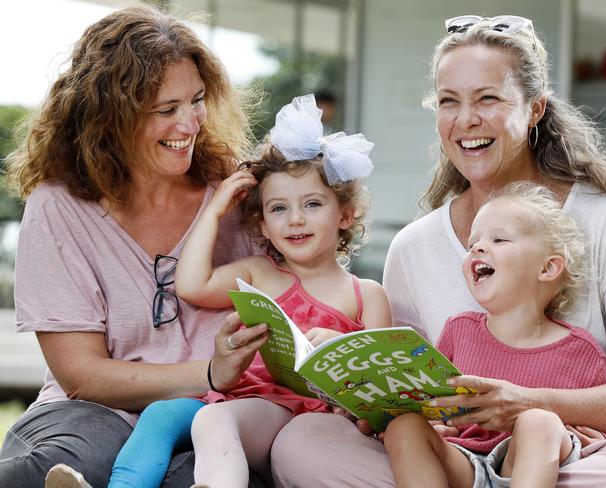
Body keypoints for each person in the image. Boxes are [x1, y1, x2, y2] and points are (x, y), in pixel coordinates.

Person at [271, 15, 606, 488]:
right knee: (303, 440)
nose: (466, 120)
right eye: (449, 101)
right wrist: (360, 391)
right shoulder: (415, 246)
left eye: (488, 98)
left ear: (535, 109)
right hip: (454, 462)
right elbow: (404, 389)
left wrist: (532, 404)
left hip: (575, 458)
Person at [56, 94, 390, 488]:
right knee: (161, 416)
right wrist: (214, 210)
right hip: (237, 395)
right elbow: (192, 284)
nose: (295, 219)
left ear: (346, 215)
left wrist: (338, 345)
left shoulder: (365, 294)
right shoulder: (259, 273)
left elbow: (384, 385)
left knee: (214, 420)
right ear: (263, 225)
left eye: (313, 204)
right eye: (278, 209)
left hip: (297, 415)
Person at [0, 5, 270, 488]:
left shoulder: (237, 189)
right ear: (110, 117)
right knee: (75, 462)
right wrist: (211, 370)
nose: (190, 125)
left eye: (198, 100)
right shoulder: (59, 207)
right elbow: (81, 376)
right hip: (88, 412)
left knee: (199, 474)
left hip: (211, 417)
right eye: (167, 110)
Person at [384, 182, 606, 488]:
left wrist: (585, 435)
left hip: (527, 466)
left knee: (538, 420)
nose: (477, 247)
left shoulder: (583, 352)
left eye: (499, 239)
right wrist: (435, 426)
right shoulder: (458, 330)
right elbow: (437, 403)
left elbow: (595, 432)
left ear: (548, 268)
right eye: (472, 244)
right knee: (404, 426)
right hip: (464, 462)